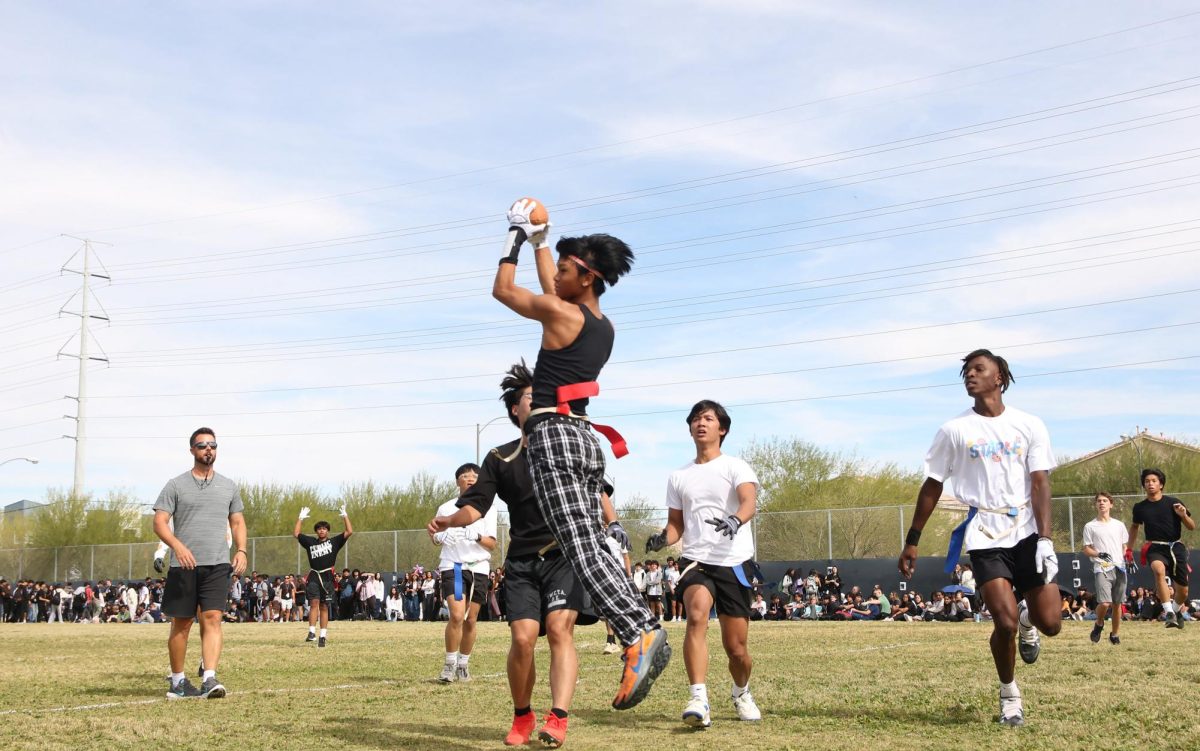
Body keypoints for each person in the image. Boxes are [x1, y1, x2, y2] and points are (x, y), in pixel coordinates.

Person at [491, 200, 669, 710]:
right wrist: (545, 243)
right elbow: (554, 291)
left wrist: (516, 236)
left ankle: (639, 632)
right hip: (585, 436)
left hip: (551, 434)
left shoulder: (560, 312)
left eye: (566, 269)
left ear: (586, 277)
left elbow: (504, 290)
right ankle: (639, 630)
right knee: (588, 543)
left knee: (583, 550)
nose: (557, 276)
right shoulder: (598, 323)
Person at [429, 360, 615, 748]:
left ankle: (558, 718)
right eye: (533, 397)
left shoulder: (566, 447)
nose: (542, 401)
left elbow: (599, 489)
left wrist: (610, 526)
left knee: (561, 631)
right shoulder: (500, 457)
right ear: (516, 409)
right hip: (522, 562)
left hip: (565, 555)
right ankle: (522, 715)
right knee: (523, 638)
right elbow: (475, 506)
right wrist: (450, 520)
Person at [898, 349, 1062, 727]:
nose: (969, 376)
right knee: (1001, 624)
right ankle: (1009, 695)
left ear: (999, 377)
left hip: (1026, 532)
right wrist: (912, 539)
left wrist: (1046, 538)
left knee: (1050, 623)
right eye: (966, 372)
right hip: (985, 533)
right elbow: (932, 485)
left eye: (978, 369)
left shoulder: (1030, 424)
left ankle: (1029, 621)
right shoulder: (955, 430)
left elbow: (1040, 483)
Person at [646, 400, 762, 728]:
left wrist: (736, 521)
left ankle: (741, 692)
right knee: (695, 615)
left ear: (721, 429)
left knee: (736, 649)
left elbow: (749, 501)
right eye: (696, 419)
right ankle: (698, 697)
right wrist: (662, 538)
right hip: (696, 560)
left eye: (708, 418)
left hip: (733, 562)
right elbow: (676, 526)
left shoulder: (736, 466)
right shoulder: (679, 475)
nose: (701, 423)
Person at [153, 427, 247, 699]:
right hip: (184, 565)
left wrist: (241, 550)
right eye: (202, 445)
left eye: (213, 445)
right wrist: (178, 546)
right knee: (182, 624)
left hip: (218, 564)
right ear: (192, 450)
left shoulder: (229, 486)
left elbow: (238, 521)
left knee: (213, 618)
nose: (208, 449)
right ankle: (179, 682)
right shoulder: (175, 485)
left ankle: (209, 678)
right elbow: (159, 522)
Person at [432, 462, 497, 683]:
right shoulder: (447, 507)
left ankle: (463, 664)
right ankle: (449, 664)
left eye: (474, 476)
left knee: (471, 619)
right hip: (454, 565)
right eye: (465, 475)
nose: (470, 478)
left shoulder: (489, 508)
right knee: (457, 615)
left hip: (478, 566)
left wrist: (476, 536)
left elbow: (492, 544)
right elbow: (433, 533)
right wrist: (440, 536)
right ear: (458, 480)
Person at [1128, 468, 1195, 629]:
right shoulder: (1140, 507)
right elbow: (1135, 528)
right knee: (1158, 570)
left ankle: (1176, 611)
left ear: (1161, 484)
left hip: (1176, 547)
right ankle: (1168, 612)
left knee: (1183, 592)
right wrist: (1129, 550)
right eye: (1147, 481)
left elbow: (1191, 527)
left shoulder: (1174, 502)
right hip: (1155, 547)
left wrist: (1183, 515)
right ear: (1144, 485)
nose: (1150, 484)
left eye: (1154, 481)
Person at [295, 504, 352, 646]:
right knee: (314, 603)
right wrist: (300, 518)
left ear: (327, 531)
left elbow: (349, 531)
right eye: (319, 529)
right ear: (316, 531)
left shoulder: (334, 542)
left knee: (324, 606)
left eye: (324, 528)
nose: (322, 530)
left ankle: (323, 636)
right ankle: (312, 632)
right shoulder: (310, 542)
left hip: (327, 577)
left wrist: (345, 515)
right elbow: (296, 533)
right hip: (314, 576)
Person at [1082, 492, 1129, 644]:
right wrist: (1099, 554)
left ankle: (1114, 635)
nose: (1102, 503)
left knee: (1117, 604)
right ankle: (1099, 623)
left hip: (1120, 568)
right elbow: (1086, 549)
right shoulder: (1090, 526)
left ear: (1111, 504)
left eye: (1105, 500)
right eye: (1099, 501)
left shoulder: (1119, 525)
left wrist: (1126, 556)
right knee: (1105, 603)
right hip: (1102, 568)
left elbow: (1125, 545)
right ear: (1096, 505)